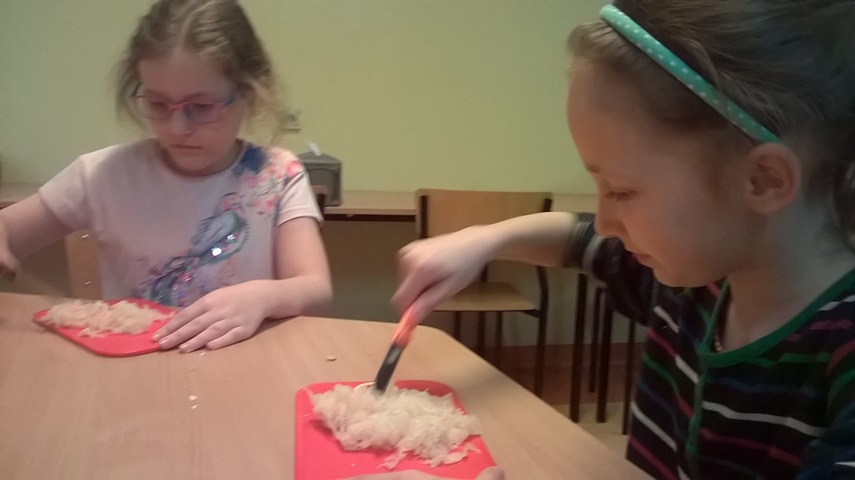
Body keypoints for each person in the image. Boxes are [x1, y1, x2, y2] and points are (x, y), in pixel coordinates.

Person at [390, 1, 855, 479]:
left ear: (762, 179)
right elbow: (577, 239)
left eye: (621, 191)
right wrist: (484, 240)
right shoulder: (693, 279)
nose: (606, 222)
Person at [0, 0, 332, 353]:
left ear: (248, 95)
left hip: (244, 366)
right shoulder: (102, 175)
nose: (177, 128)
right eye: (158, 104)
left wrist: (264, 297)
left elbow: (315, 288)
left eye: (201, 107)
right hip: (136, 372)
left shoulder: (277, 174)